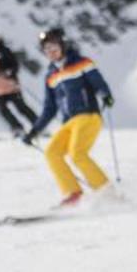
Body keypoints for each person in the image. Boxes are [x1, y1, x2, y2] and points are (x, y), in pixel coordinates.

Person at [22, 27, 112, 206]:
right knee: (52, 152)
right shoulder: (51, 75)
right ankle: (73, 194)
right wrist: (34, 131)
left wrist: (105, 94)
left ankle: (106, 192)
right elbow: (49, 108)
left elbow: (98, 82)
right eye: (46, 49)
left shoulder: (81, 63)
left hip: (88, 116)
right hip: (69, 122)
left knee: (77, 153)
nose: (51, 52)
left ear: (63, 45)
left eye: (54, 47)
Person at [0, 25, 38, 137]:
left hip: (11, 85)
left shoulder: (5, 51)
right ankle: (17, 128)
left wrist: (10, 72)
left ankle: (38, 124)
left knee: (21, 107)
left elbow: (15, 65)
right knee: (3, 110)